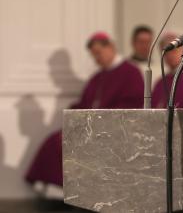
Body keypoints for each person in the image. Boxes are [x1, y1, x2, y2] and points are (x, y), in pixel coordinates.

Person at [25, 32, 143, 197]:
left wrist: (99, 119)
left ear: (111, 47)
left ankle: (66, 189)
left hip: (114, 128)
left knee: (67, 142)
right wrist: (74, 111)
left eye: (98, 53)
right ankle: (57, 185)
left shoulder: (131, 72)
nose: (96, 58)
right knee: (54, 140)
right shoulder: (97, 77)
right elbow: (85, 102)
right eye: (93, 55)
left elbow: (133, 103)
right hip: (91, 126)